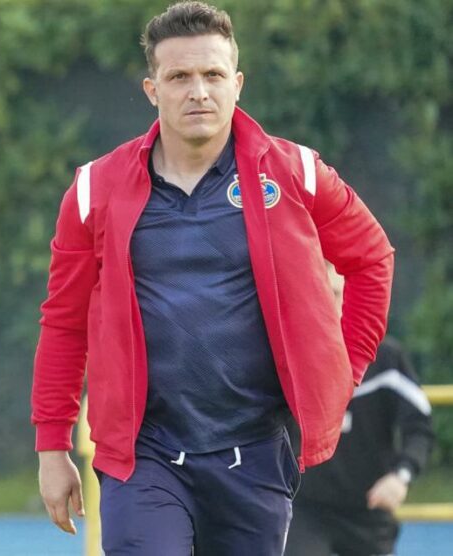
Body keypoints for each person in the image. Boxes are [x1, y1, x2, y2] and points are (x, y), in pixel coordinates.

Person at [30, 2, 394, 554]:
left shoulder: (295, 172)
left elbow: (372, 260)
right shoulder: (92, 191)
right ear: (152, 89)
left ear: (237, 83)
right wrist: (53, 446)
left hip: (257, 458)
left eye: (213, 75)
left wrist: (345, 368)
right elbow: (63, 323)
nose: (198, 91)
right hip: (143, 459)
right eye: (179, 77)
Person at [286, 266, 434, 556]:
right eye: (321, 295)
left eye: (338, 293)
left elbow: (420, 429)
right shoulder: (289, 358)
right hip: (305, 511)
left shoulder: (387, 359)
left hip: (367, 513)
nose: (330, 304)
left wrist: (400, 475)